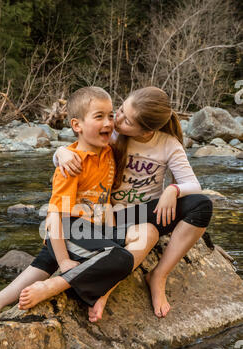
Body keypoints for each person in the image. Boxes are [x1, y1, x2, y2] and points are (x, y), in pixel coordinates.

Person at [0, 86, 158, 327]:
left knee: (148, 232)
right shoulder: (71, 164)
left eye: (111, 115)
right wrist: (65, 262)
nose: (109, 122)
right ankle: (54, 285)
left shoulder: (108, 152)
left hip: (92, 231)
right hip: (69, 229)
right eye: (99, 116)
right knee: (117, 257)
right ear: (76, 125)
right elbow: (57, 216)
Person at [52, 86, 213, 321]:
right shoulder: (112, 134)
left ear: (147, 130)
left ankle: (158, 275)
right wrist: (59, 152)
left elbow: (193, 184)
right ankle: (105, 288)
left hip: (146, 212)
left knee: (201, 205)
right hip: (111, 216)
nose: (117, 120)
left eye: (126, 120)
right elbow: (80, 151)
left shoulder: (168, 145)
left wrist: (173, 189)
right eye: (120, 110)